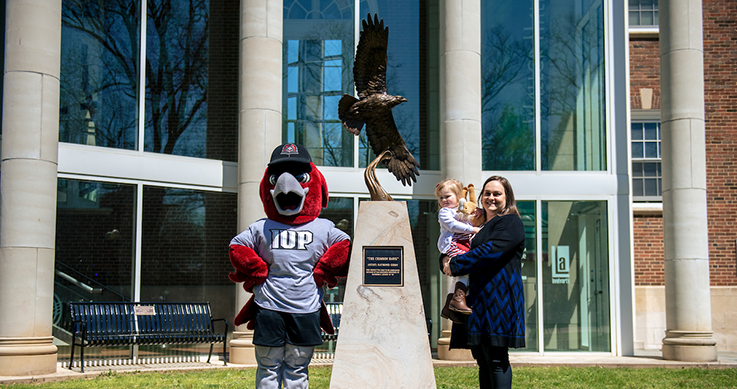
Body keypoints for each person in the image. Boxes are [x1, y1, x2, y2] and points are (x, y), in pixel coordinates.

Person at [228, 144, 351, 389]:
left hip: (305, 308)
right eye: (276, 178)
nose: (286, 184)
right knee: (268, 365)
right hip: (268, 307)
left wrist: (325, 268)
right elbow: (236, 246)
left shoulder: (324, 227)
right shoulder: (260, 227)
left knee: (297, 366)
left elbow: (344, 244)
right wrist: (255, 267)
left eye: (300, 177)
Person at [442, 175, 525, 389]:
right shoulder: (477, 224)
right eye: (487, 193)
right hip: (476, 299)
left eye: (497, 193)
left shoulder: (510, 222)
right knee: (482, 358)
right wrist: (445, 260)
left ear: (507, 197)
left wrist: (456, 264)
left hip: (499, 298)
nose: (491, 198)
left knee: (496, 358)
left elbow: (489, 252)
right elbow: (453, 244)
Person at [435, 179, 482, 320]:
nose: (444, 200)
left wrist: (476, 212)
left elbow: (470, 215)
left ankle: (449, 305)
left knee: (457, 276)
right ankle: (458, 299)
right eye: (441, 197)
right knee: (464, 267)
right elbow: (453, 225)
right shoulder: (444, 212)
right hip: (452, 244)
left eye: (447, 196)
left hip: (463, 244)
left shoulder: (460, 210)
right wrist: (472, 229)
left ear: (458, 196)